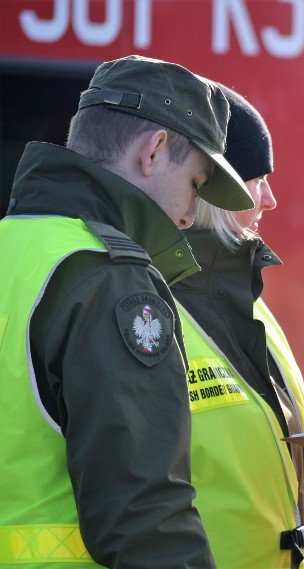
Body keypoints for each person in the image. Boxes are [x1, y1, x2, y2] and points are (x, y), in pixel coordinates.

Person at [0, 55, 252, 566]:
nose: (186, 215)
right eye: (196, 185)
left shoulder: (14, 248)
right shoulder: (110, 277)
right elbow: (146, 519)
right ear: (155, 150)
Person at [171, 84, 304, 569]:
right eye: (257, 179)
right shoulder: (149, 307)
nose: (271, 199)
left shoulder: (250, 300)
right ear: (213, 191)